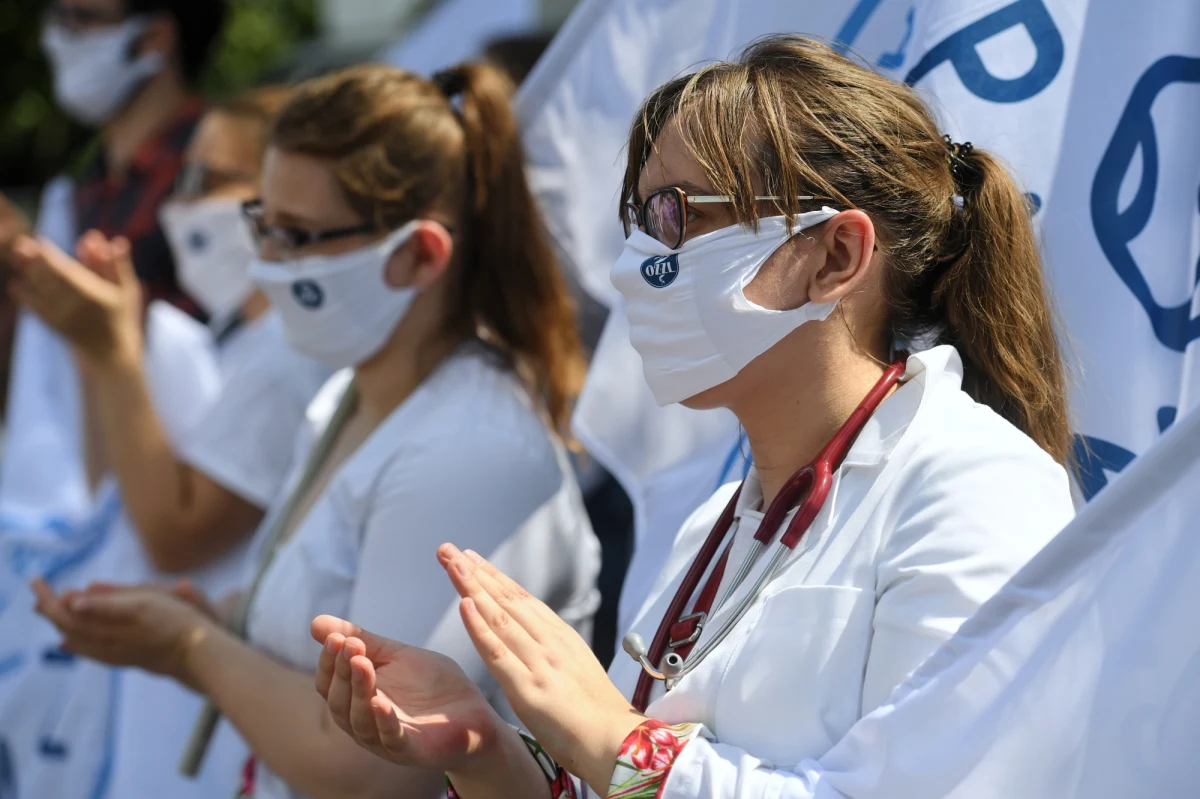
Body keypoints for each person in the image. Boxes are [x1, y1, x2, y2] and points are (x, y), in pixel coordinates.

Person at [304, 34, 1077, 799]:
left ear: (837, 256)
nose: (632, 264)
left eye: (674, 214)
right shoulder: (716, 522)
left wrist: (613, 739)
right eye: (638, 219)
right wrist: (486, 753)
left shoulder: (980, 490)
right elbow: (626, 788)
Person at [33, 61, 602, 799]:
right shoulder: (350, 395)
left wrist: (190, 647)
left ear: (418, 254)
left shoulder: (471, 448)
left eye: (297, 236)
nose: (267, 263)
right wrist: (203, 621)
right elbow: (318, 636)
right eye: (263, 225)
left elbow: (378, 767)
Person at [10, 85, 334, 798]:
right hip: (173, 699)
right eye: (180, 178)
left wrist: (114, 354)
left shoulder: (288, 353)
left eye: (206, 178)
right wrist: (97, 350)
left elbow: (173, 534)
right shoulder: (227, 338)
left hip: (221, 709)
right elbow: (114, 490)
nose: (181, 202)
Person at [0, 0, 227, 523]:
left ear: (154, 38)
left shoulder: (218, 173)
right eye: (56, 16)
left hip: (193, 509)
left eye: (82, 18)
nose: (58, 37)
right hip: (99, 507)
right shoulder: (82, 190)